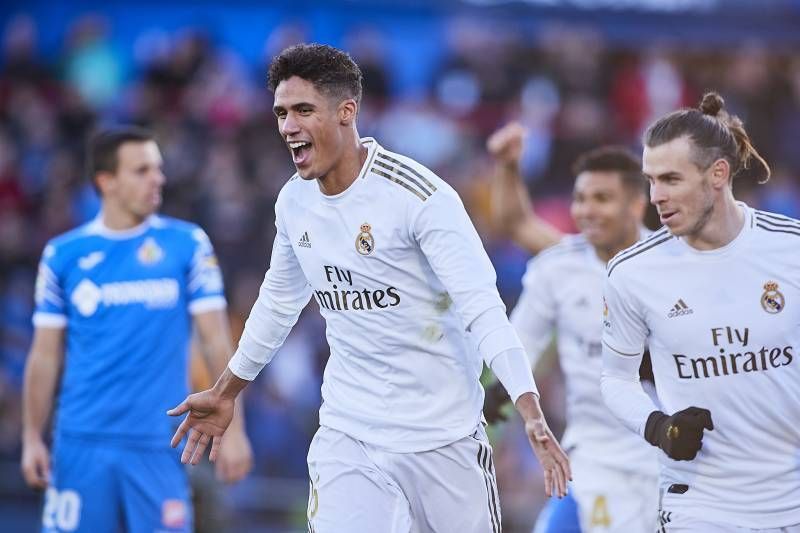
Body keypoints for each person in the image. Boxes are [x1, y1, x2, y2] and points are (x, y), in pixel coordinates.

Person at [167, 43, 571, 533]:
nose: (287, 126)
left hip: (441, 437)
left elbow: (483, 307)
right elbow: (277, 303)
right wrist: (227, 391)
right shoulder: (294, 202)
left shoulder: (419, 197)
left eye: (302, 111)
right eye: (280, 113)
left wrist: (529, 411)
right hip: (349, 432)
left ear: (346, 112)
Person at [21, 126, 253, 533]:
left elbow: (217, 341)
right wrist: (31, 437)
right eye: (142, 170)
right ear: (106, 181)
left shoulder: (187, 245)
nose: (157, 179)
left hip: (158, 445)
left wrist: (235, 431)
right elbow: (44, 355)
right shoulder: (63, 255)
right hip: (81, 442)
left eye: (158, 169)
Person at [601, 92, 800, 532]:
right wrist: (658, 427)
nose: (656, 196)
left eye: (671, 179)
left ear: (718, 174)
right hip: (699, 502)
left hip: (791, 496)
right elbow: (615, 378)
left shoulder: (791, 249)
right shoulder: (632, 273)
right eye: (650, 180)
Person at [486, 123, 659, 533]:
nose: (586, 210)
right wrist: (496, 400)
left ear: (636, 204)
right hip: (591, 459)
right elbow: (518, 348)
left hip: (668, 460)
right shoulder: (558, 266)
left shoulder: (674, 265)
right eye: (580, 199)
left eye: (602, 198)